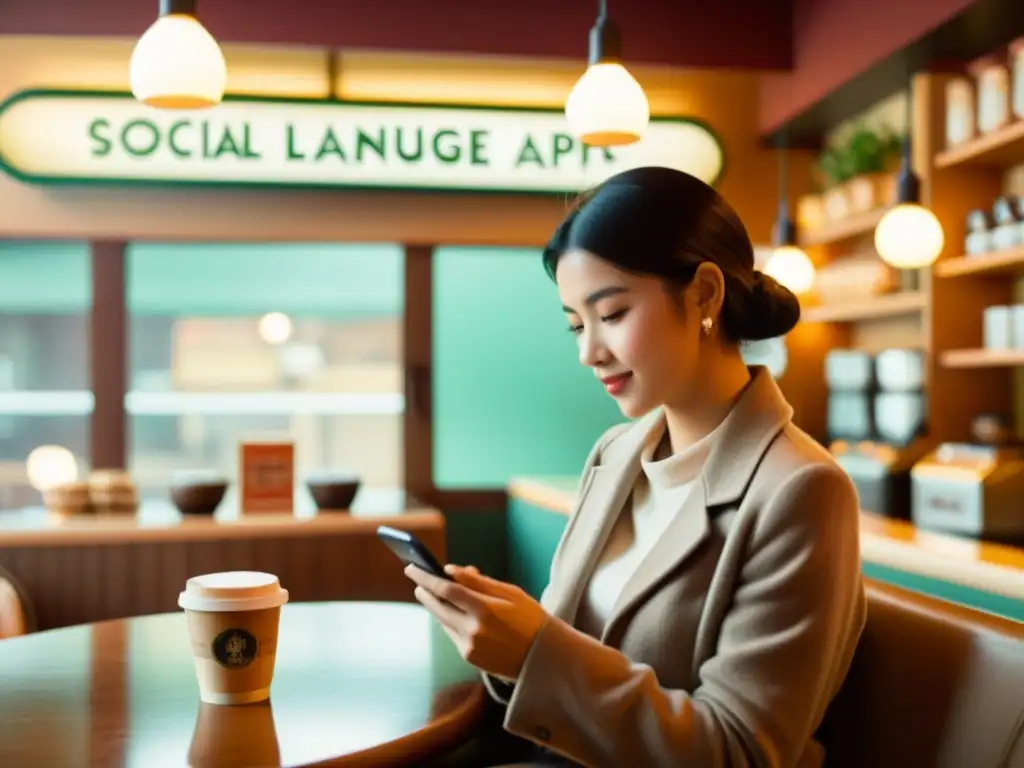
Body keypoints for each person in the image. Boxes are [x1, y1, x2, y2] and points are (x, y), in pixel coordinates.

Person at [406, 166, 867, 768]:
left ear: (705, 294)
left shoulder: (802, 490)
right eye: (576, 324)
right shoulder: (616, 454)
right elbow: (563, 659)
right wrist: (505, 643)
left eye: (613, 314)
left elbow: (740, 751)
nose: (588, 352)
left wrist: (534, 652)